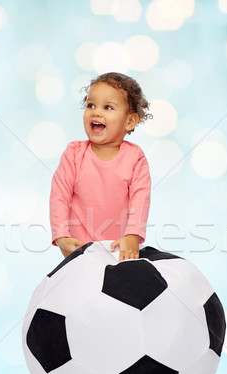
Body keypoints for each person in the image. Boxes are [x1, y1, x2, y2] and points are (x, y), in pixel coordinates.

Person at [49, 72, 153, 261]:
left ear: (129, 121)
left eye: (108, 107)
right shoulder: (74, 154)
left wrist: (132, 236)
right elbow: (59, 197)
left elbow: (140, 199)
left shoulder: (135, 158)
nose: (96, 112)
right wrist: (61, 236)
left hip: (120, 253)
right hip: (80, 252)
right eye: (90, 105)